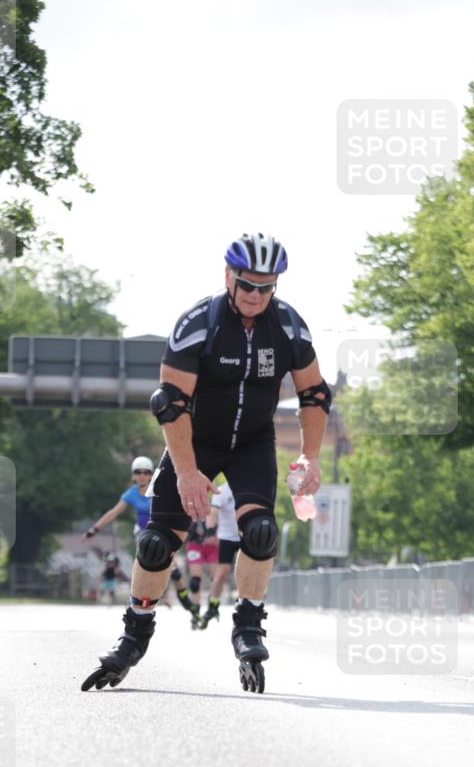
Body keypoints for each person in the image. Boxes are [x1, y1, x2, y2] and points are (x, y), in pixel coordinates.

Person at [82, 232, 329, 694]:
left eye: (266, 286)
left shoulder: (290, 326)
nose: (256, 295)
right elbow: (169, 402)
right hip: (194, 441)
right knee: (157, 543)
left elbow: (314, 394)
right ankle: (135, 632)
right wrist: (189, 472)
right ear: (228, 277)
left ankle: (248, 625)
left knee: (260, 532)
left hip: (254, 441)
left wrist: (309, 456)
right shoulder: (199, 323)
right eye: (248, 285)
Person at [84, 456, 197, 617]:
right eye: (138, 472)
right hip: (143, 534)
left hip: (163, 532)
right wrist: (94, 530)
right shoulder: (131, 493)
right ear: (133, 475)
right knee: (148, 560)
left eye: (146, 472)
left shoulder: (159, 488)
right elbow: (113, 512)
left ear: (151, 475)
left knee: (174, 571)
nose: (142, 476)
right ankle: (139, 602)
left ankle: (185, 600)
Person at [199, 479, 240, 629]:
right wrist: (210, 530)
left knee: (242, 572)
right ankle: (212, 606)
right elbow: (213, 513)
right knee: (222, 573)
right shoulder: (221, 491)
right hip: (227, 537)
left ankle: (245, 604)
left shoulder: (247, 486)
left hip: (245, 536)